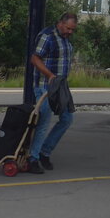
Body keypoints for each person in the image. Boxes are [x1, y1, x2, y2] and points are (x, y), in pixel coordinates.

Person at [27, 12, 78, 173]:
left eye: (72, 30)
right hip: (45, 85)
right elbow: (35, 59)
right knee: (44, 121)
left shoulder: (65, 39)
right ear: (60, 23)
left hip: (60, 86)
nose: (70, 32)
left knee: (67, 119)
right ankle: (32, 158)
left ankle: (45, 152)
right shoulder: (47, 36)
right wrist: (50, 75)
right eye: (68, 28)